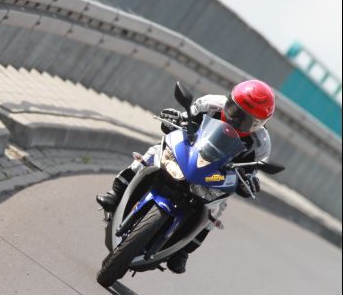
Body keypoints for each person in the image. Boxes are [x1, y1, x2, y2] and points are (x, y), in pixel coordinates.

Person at [96, 80, 275, 274]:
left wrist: (249, 181)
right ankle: (116, 192)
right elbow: (183, 120)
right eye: (234, 110)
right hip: (189, 154)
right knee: (153, 153)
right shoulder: (210, 104)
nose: (237, 120)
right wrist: (173, 119)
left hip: (215, 175)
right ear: (229, 100)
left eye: (247, 120)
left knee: (218, 207)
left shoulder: (261, 144)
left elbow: (249, 172)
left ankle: (183, 251)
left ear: (260, 124)